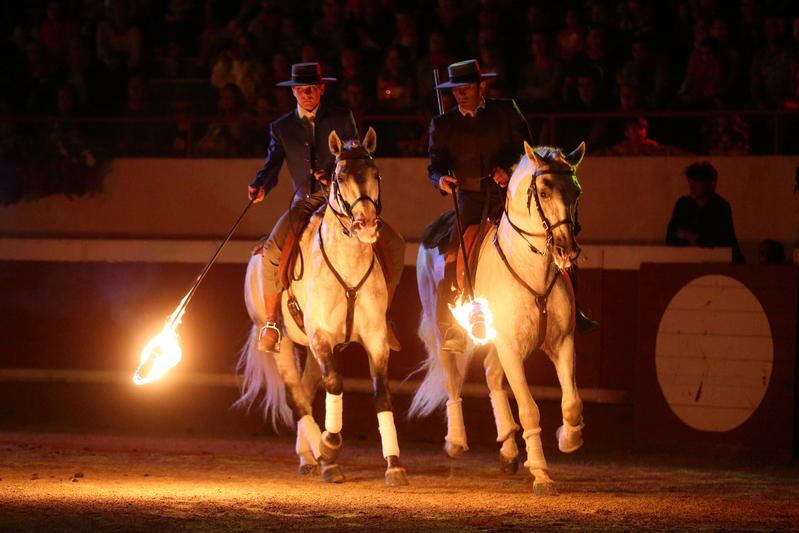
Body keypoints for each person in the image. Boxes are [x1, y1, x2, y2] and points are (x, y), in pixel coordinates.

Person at [426, 59, 596, 352]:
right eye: (456, 91)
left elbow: (527, 152)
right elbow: (435, 165)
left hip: (507, 195)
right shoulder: (443, 124)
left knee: (559, 236)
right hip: (467, 196)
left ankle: (574, 308)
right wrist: (442, 179)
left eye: (466, 89)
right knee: (454, 252)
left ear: (481, 87)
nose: (461, 95)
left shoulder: (506, 111)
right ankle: (451, 325)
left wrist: (507, 168)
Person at [248, 62, 405, 352]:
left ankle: (383, 318)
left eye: (312, 89)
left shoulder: (342, 118)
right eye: (302, 90)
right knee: (271, 251)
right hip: (306, 201)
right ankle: (271, 322)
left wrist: (331, 174)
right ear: (294, 92)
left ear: (321, 89)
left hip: (342, 201)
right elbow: (272, 165)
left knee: (395, 244)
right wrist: (260, 185)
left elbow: (355, 153)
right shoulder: (282, 127)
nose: (307, 94)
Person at [666, 161, 744, 263]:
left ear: (711, 183)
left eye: (697, 181)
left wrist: (690, 236)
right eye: (690, 181)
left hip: (715, 262)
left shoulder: (720, 207)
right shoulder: (683, 205)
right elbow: (671, 238)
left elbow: (719, 240)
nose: (691, 187)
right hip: (685, 261)